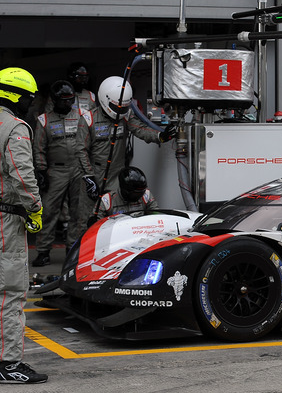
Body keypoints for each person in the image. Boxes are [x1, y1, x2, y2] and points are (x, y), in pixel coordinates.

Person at [0, 67, 47, 383]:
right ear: (18, 95)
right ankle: (9, 363)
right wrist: (36, 208)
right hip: (5, 219)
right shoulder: (16, 128)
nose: (31, 103)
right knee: (12, 291)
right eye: (29, 97)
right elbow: (22, 175)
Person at [77, 76, 176, 218]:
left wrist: (160, 136)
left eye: (124, 107)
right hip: (94, 174)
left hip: (117, 174)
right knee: (87, 216)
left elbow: (140, 129)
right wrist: (88, 176)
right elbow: (81, 150)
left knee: (117, 216)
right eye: (117, 107)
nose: (120, 110)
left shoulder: (126, 116)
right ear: (105, 100)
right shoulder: (88, 119)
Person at [30, 80, 89, 267]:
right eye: (63, 100)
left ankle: (73, 250)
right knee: (48, 211)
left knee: (78, 212)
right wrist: (40, 171)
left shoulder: (82, 116)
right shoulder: (43, 120)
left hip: (78, 169)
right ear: (55, 100)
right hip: (55, 170)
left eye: (70, 99)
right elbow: (38, 148)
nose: (68, 103)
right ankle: (43, 251)